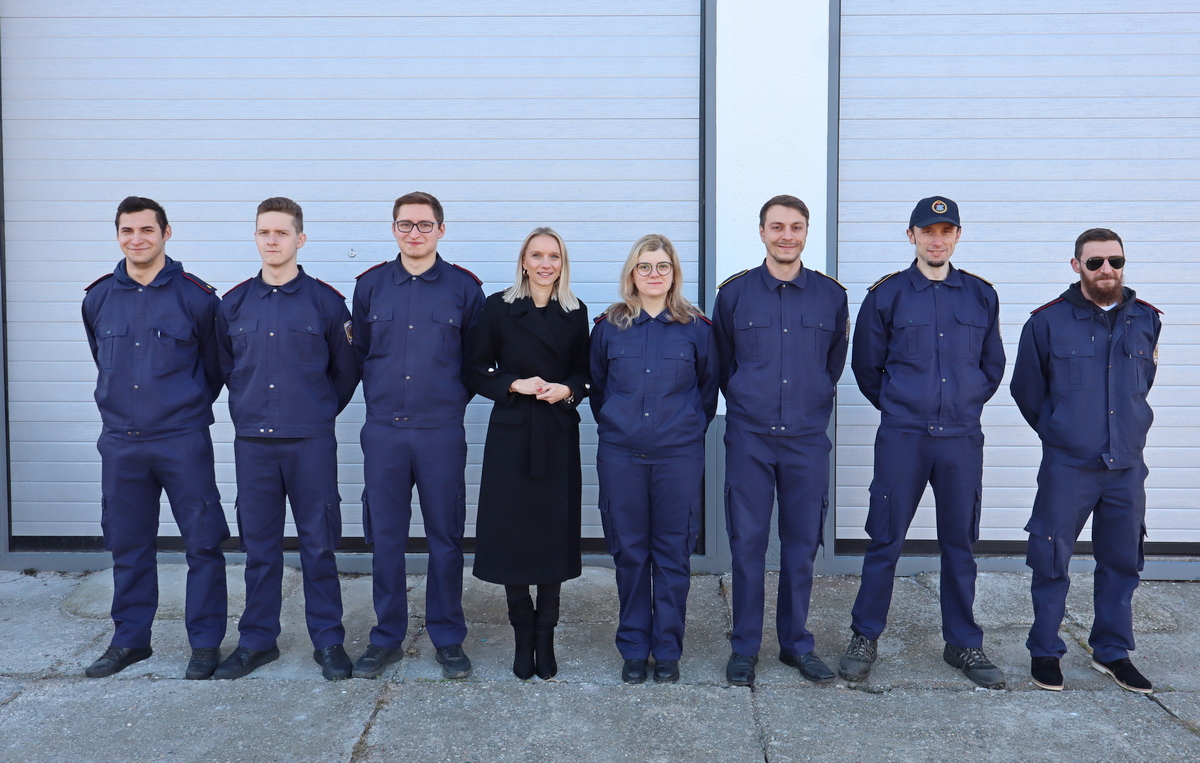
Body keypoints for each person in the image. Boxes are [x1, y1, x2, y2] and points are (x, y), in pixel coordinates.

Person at [840, 196, 1006, 689]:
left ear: (958, 236)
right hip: (904, 437)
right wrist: (902, 405)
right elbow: (866, 367)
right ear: (910, 235)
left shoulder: (980, 295)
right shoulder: (886, 295)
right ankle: (865, 636)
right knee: (884, 538)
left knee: (960, 544)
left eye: (946, 231)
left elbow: (992, 365)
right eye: (927, 232)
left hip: (960, 438)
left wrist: (963, 402)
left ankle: (963, 643)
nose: (937, 240)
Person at [81, 196, 228, 679]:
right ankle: (130, 640)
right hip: (121, 443)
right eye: (127, 230)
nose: (137, 239)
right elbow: (103, 362)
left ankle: (204, 643)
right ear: (117, 235)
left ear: (167, 233)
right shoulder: (98, 298)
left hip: (182, 440)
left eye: (147, 229)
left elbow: (214, 370)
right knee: (128, 545)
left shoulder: (198, 298)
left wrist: (180, 408)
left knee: (203, 544)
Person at [214, 198, 360, 680]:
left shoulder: (326, 303)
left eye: (281, 232)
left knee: (318, 545)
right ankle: (257, 641)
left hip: (309, 443)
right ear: (256, 237)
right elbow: (225, 367)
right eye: (264, 232)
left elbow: (345, 371)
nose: (272, 240)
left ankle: (329, 641)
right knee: (259, 548)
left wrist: (316, 412)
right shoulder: (233, 304)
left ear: (300, 238)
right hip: (254, 443)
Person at [1011, 228, 1162, 693]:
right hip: (1069, 467)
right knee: (1051, 558)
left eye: (1115, 261)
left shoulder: (1146, 319)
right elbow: (1027, 390)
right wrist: (1062, 430)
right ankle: (1045, 650)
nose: (1106, 270)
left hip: (1126, 468)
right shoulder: (1046, 322)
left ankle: (1112, 652)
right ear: (1076, 266)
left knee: (1122, 561)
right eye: (1095, 262)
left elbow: (1141, 384)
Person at [713, 195, 849, 687]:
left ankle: (795, 644)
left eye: (795, 227)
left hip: (807, 439)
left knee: (801, 546)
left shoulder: (831, 296)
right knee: (747, 546)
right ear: (761, 232)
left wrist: (808, 402)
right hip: (749, 437)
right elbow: (722, 363)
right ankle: (744, 647)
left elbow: (833, 364)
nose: (786, 235)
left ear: (807, 232)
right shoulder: (734, 295)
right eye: (777, 227)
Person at [351, 192, 485, 679]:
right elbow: (361, 353)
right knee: (386, 538)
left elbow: (474, 362)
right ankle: (386, 637)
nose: (415, 233)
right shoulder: (369, 286)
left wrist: (445, 405)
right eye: (405, 224)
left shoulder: (465, 289)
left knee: (445, 538)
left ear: (441, 230)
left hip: (439, 433)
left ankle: (447, 636)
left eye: (425, 225)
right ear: (393, 229)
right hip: (384, 432)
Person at [589, 234, 719, 684]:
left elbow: (707, 393)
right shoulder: (608, 327)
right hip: (622, 456)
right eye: (644, 266)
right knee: (629, 553)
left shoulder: (697, 328)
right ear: (632, 273)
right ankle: (633, 649)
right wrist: (621, 425)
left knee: (672, 554)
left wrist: (683, 430)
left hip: (677, 458)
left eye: (663, 266)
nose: (654, 274)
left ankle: (666, 650)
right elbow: (599, 390)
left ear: (674, 273)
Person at [464, 227, 591, 680]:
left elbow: (585, 371)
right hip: (512, 434)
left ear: (562, 263)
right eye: (536, 255)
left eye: (553, 256)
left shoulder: (575, 311)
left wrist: (568, 390)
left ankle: (545, 635)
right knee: (512, 535)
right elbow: (474, 370)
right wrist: (513, 384)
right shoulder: (498, 306)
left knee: (552, 533)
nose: (545, 264)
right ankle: (522, 636)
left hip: (557, 432)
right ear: (523, 261)